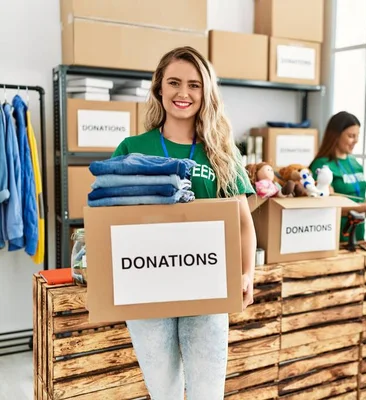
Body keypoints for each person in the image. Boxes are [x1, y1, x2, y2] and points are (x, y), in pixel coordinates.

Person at [111, 46, 257, 399]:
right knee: (165, 394)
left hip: (207, 289)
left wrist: (248, 272)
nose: (183, 93)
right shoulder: (132, 148)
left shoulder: (222, 152)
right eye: (174, 82)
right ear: (159, 87)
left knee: (207, 393)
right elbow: (109, 221)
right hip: (148, 288)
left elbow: (243, 223)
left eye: (194, 85)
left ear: (205, 92)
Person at [309, 111, 366, 243]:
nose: (356, 141)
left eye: (357, 136)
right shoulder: (321, 166)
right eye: (351, 136)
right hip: (334, 239)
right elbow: (327, 207)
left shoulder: (355, 163)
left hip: (357, 237)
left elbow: (362, 199)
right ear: (336, 136)